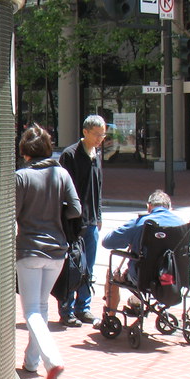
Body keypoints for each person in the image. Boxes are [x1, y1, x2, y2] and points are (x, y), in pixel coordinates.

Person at [15, 123, 81, 379]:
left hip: (29, 248)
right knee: (41, 306)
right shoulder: (62, 174)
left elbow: (12, 212)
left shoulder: (21, 177)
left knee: (31, 310)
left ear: (25, 151)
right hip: (58, 251)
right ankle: (31, 362)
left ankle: (52, 361)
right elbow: (75, 209)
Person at [56, 114, 106, 327]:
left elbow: (99, 187)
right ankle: (66, 309)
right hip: (74, 223)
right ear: (85, 132)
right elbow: (63, 190)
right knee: (72, 265)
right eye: (97, 134)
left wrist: (99, 213)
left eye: (103, 135)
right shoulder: (70, 155)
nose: (100, 139)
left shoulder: (97, 154)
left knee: (89, 268)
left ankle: (83, 308)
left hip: (92, 222)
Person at [100, 190, 184, 314]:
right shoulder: (181, 224)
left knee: (113, 274)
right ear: (169, 207)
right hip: (174, 277)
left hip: (143, 278)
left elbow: (107, 242)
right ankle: (137, 302)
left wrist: (132, 240)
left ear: (149, 207)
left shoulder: (140, 222)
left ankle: (110, 314)